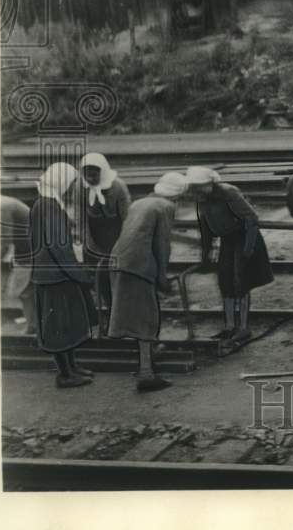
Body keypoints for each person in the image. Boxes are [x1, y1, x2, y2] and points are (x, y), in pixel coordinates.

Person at [108, 171, 187, 392]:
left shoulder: (141, 203)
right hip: (138, 265)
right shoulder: (165, 208)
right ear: (179, 194)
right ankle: (146, 374)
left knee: (137, 316)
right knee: (146, 318)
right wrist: (162, 276)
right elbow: (162, 245)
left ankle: (149, 357)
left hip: (118, 261)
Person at [186, 166, 274, 342]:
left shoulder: (229, 193)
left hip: (244, 237)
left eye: (200, 187)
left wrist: (248, 249)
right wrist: (206, 253)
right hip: (227, 240)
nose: (196, 191)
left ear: (210, 183)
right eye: (194, 188)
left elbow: (251, 218)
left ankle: (243, 328)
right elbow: (205, 228)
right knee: (225, 281)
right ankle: (229, 326)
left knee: (240, 281)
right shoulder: (201, 199)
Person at [29, 163, 97, 388]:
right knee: (59, 326)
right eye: (69, 184)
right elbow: (58, 247)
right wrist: (79, 274)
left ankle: (72, 367)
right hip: (54, 275)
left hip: (51, 272)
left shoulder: (45, 202)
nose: (70, 189)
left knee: (66, 323)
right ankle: (65, 374)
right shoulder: (49, 206)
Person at [76, 152, 131, 332]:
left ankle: (121, 316)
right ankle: (109, 313)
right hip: (94, 236)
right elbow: (80, 217)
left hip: (115, 234)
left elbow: (127, 218)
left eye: (94, 174)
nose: (91, 179)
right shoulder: (80, 187)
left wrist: (122, 245)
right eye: (87, 175)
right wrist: (88, 243)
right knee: (100, 279)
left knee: (117, 276)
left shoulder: (118, 187)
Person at [0, 194, 35, 333]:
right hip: (27, 249)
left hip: (33, 248)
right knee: (26, 291)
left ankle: (33, 327)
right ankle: (33, 326)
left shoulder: (2, 207)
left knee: (25, 290)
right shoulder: (3, 203)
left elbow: (5, 242)